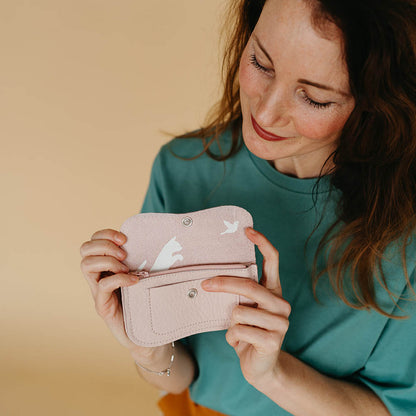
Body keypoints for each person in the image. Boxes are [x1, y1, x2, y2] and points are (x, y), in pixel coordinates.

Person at [79, 0, 416, 415]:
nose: (266, 113)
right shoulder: (183, 169)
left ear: (378, 102)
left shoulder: (407, 237)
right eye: (261, 62)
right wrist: (146, 347)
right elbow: (184, 377)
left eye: (314, 98)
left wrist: (273, 374)